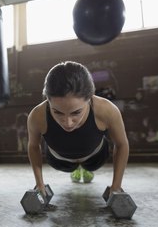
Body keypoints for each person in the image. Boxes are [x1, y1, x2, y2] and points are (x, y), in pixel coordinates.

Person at [27, 61, 129, 196]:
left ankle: (85, 168)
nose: (68, 123)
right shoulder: (37, 115)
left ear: (89, 98)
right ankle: (76, 169)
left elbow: (122, 144)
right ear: (48, 100)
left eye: (76, 112)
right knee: (68, 167)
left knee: (90, 165)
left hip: (95, 157)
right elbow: (33, 146)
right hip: (60, 160)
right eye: (57, 112)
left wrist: (116, 186)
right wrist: (39, 184)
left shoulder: (107, 110)